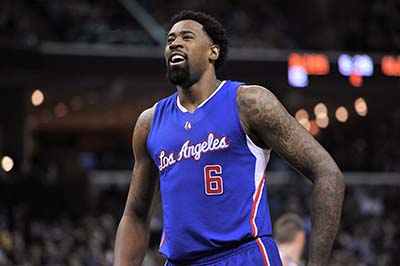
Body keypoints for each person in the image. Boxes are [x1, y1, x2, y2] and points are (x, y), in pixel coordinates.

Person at [113, 10, 345, 266]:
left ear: (213, 51)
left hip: (244, 255)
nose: (175, 43)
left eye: (186, 37)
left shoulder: (249, 102)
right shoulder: (149, 123)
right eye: (170, 40)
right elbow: (135, 215)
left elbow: (328, 173)